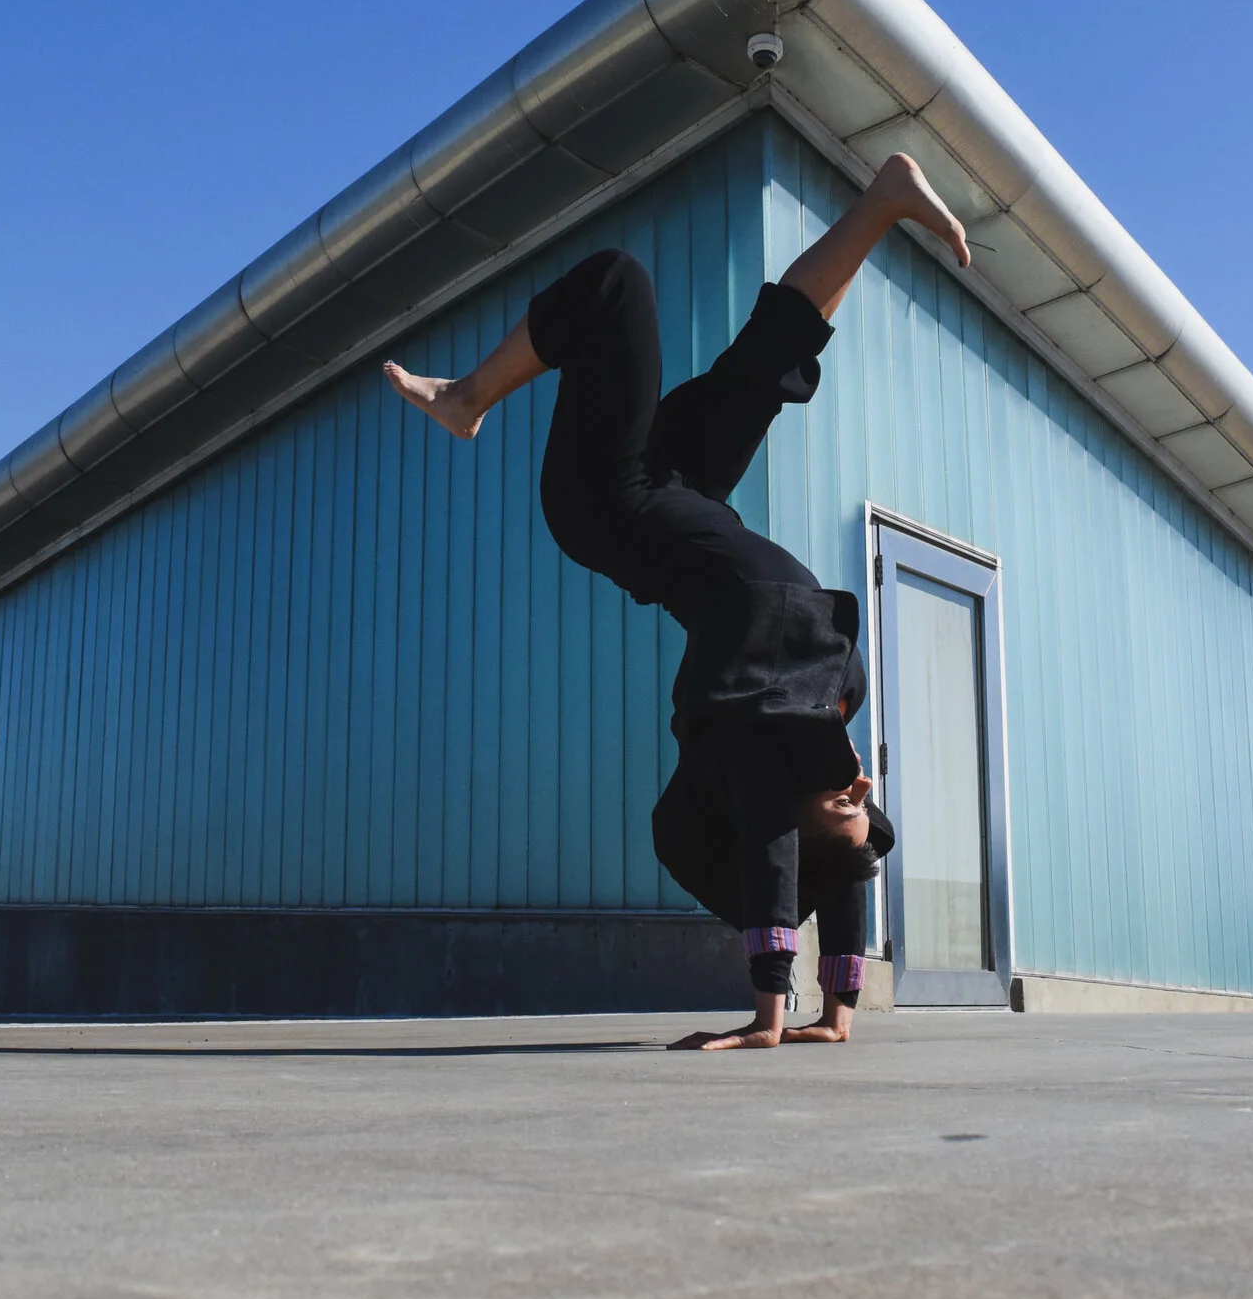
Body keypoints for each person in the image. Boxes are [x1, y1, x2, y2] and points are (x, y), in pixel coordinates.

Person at [387, 154, 970, 1049]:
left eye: (846, 804)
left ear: (804, 817)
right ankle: (882, 203)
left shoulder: (767, 752)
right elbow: (851, 865)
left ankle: (470, 397)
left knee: (616, 286)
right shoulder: (826, 694)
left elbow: (776, 844)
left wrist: (768, 1019)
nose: (860, 783)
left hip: (613, 505)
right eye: (864, 797)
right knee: (767, 361)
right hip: (684, 500)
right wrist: (838, 1015)